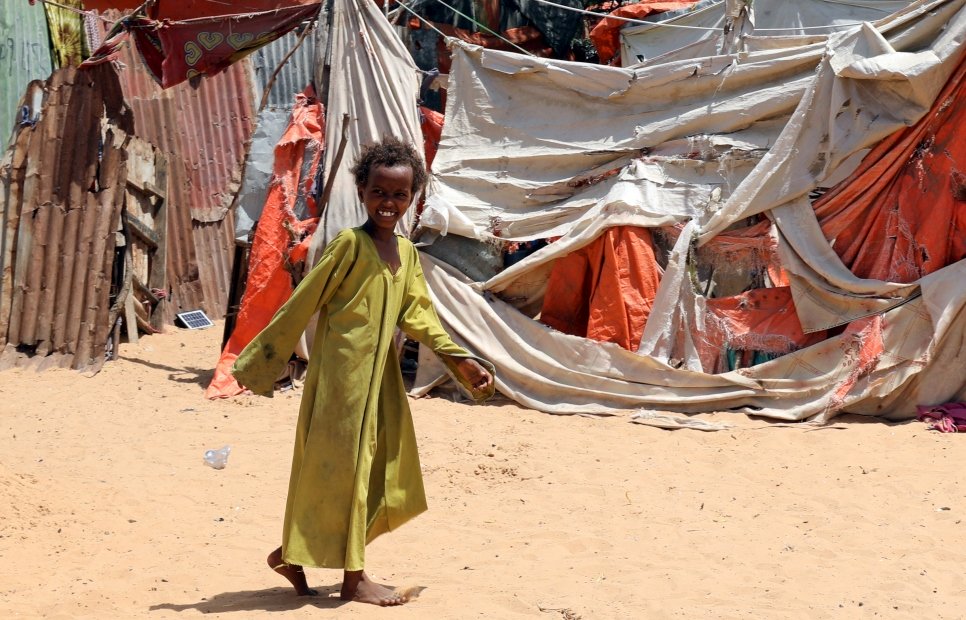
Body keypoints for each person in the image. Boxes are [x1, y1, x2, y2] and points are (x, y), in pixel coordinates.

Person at [231, 135, 495, 607]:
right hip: (341, 383)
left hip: (381, 382)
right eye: (379, 192)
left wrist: (460, 360)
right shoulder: (349, 247)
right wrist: (257, 362)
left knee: (379, 471)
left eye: (399, 194)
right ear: (362, 192)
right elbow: (303, 301)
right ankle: (354, 580)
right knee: (343, 474)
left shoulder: (408, 254)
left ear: (412, 198)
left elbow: (420, 316)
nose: (388, 203)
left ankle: (293, 554)